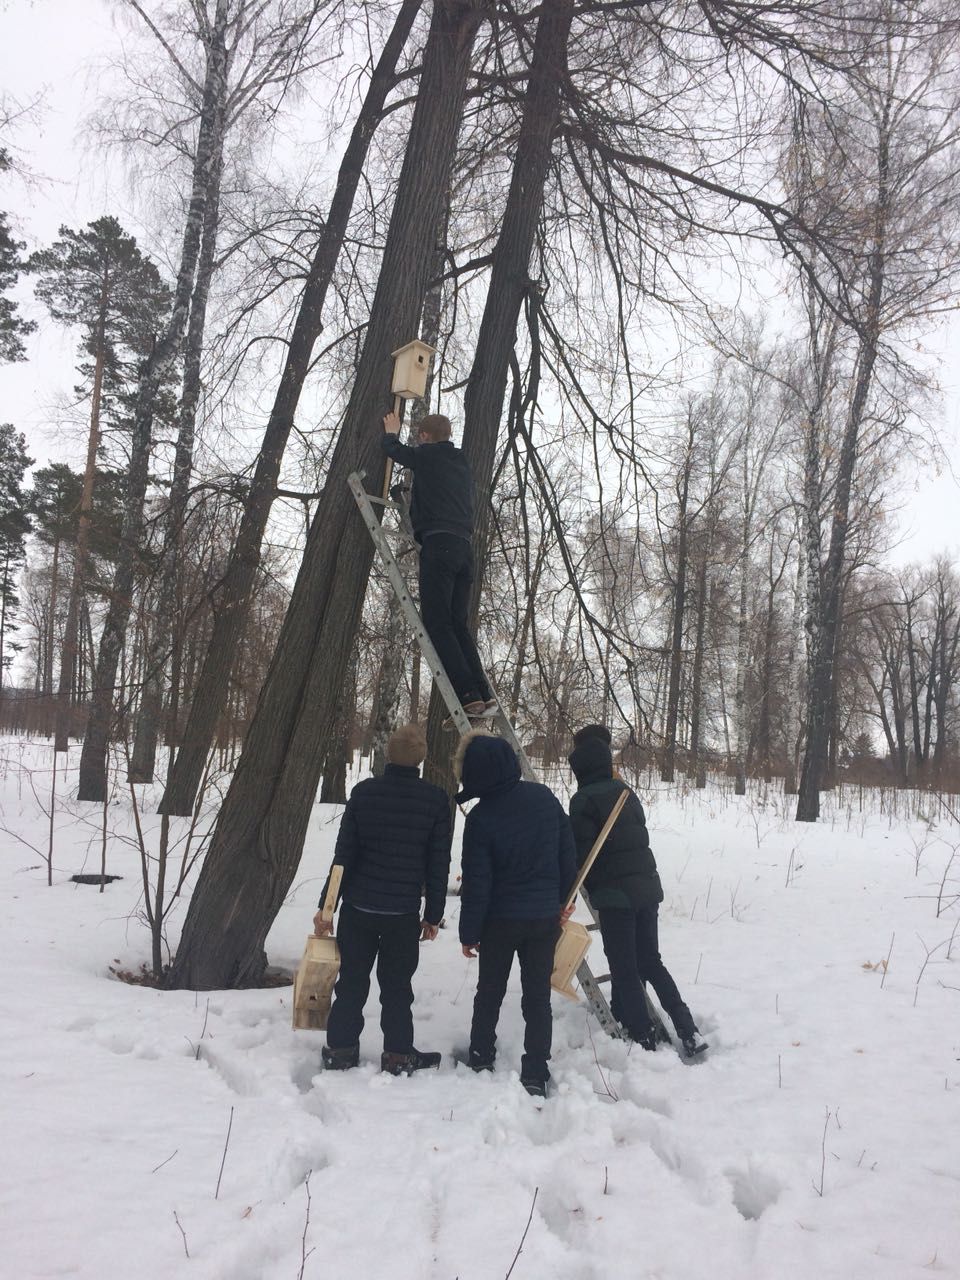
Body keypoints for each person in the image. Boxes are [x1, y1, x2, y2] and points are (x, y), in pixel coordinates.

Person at [315, 723, 452, 1076]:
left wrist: (327, 908)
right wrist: (433, 915)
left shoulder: (364, 793)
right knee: (397, 987)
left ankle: (341, 1050)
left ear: (388, 754)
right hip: (402, 914)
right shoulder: (435, 801)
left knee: (352, 981)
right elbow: (439, 864)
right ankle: (397, 1055)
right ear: (421, 760)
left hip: (358, 909)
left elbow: (343, 855)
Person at [568, 732, 708, 1058]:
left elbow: (580, 854)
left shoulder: (583, 801)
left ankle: (642, 1036)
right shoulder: (626, 794)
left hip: (616, 897)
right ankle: (687, 1028)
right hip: (647, 889)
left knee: (625, 967)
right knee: (651, 961)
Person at [456, 730, 577, 1097]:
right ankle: (535, 1071)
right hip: (542, 919)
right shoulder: (543, 797)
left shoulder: (480, 818)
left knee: (489, 991)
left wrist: (469, 932)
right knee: (537, 995)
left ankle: (481, 1056)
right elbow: (567, 852)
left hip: (499, 922)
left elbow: (477, 883)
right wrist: (561, 898)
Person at [381, 410, 493, 715]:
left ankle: (468, 694)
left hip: (439, 545)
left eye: (420, 438)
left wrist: (391, 432)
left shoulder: (428, 456)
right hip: (464, 549)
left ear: (425, 437)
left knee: (437, 623)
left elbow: (395, 451)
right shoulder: (462, 464)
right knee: (457, 624)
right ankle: (482, 690)